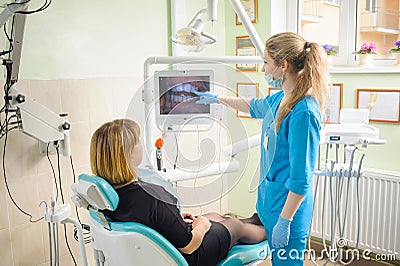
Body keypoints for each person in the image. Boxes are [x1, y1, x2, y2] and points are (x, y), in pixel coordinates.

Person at [194, 32, 330, 265]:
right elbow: (253, 106)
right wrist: (217, 98)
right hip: (269, 204)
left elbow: (300, 180)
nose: (263, 69)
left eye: (266, 62)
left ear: (283, 66)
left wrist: (285, 222)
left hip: (288, 215)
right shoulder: (281, 99)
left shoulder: (303, 113)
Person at [89, 118, 266, 266]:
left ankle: (259, 219)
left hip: (163, 245)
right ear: (126, 155)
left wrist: (172, 218)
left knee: (214, 216)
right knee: (234, 225)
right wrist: (201, 226)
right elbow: (189, 245)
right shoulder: (151, 198)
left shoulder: (106, 198)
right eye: (137, 142)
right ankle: (271, 230)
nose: (140, 145)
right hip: (190, 256)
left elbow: (146, 218)